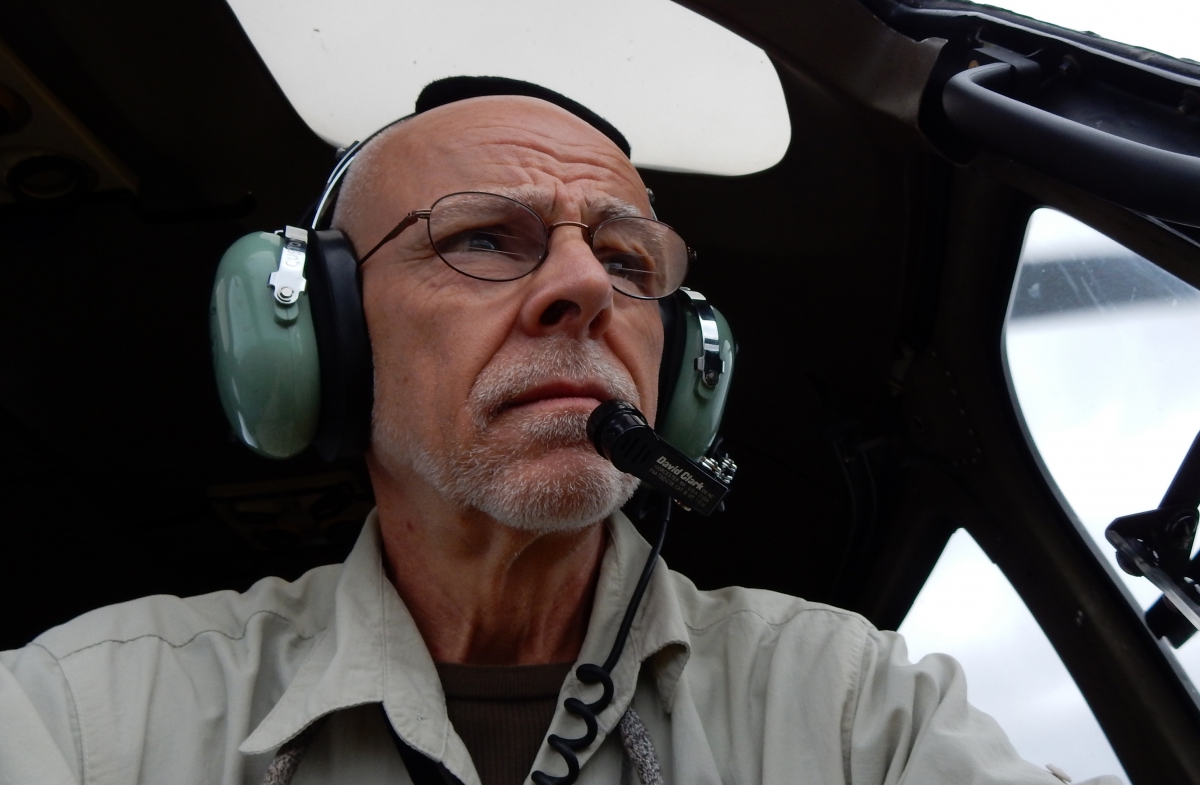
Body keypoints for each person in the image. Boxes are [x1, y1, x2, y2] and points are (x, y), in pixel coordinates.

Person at [0, 90, 1117, 785]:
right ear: (320, 337)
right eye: (485, 238)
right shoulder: (88, 714)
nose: (584, 286)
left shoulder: (855, 709)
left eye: (630, 261)